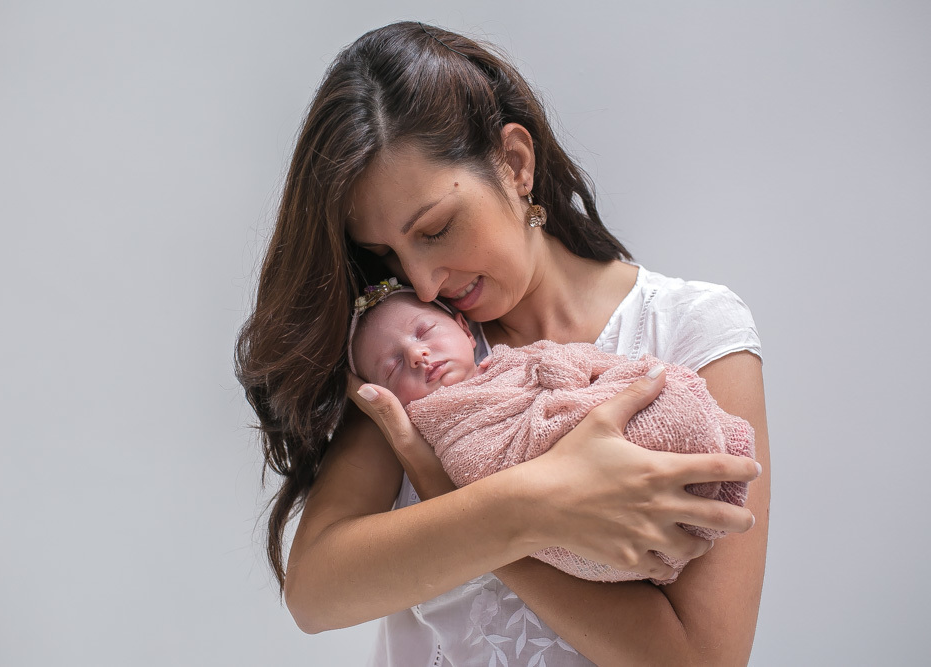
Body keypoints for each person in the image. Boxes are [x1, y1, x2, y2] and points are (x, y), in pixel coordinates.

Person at [235, 21, 769, 666]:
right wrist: (536, 500)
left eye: (434, 229)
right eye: (386, 254)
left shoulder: (691, 331)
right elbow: (317, 592)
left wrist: (456, 499)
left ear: (515, 163)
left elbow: (704, 661)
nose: (424, 284)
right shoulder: (421, 361)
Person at [348, 279, 755, 585]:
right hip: (562, 495)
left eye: (424, 333)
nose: (416, 355)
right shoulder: (445, 427)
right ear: (387, 396)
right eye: (393, 366)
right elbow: (483, 467)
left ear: (465, 330)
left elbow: (590, 364)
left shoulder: (512, 360)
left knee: (664, 400)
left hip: (596, 436)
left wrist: (565, 371)